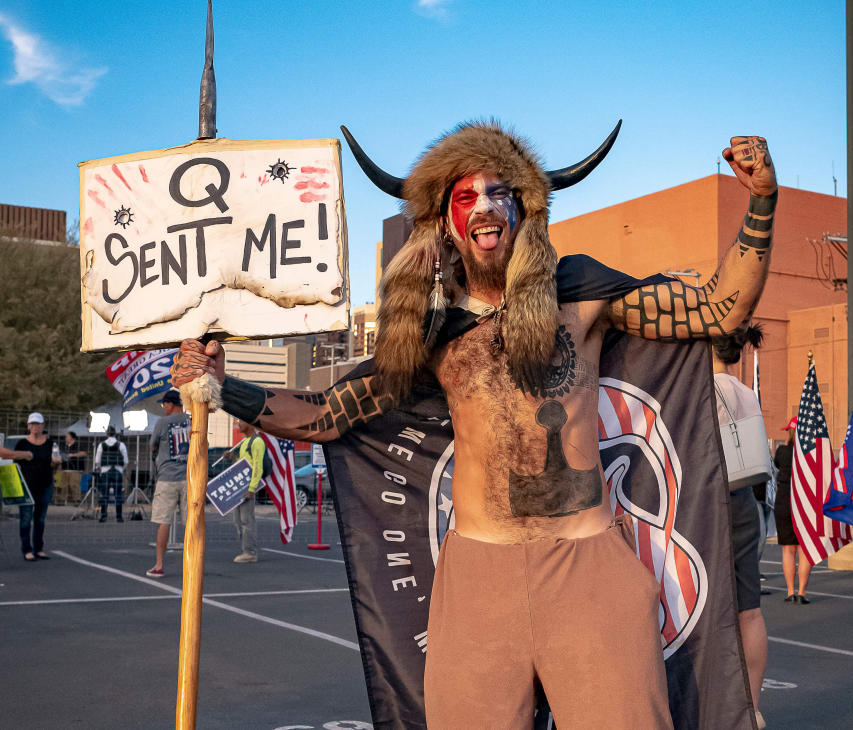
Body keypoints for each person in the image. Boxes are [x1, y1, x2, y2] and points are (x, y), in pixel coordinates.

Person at [173, 123, 777, 727]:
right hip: (479, 580)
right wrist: (221, 388)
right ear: (445, 223)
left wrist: (761, 200)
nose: (485, 206)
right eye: (466, 196)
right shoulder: (432, 332)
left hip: (587, 566)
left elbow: (720, 307)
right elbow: (327, 416)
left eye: (499, 192)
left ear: (524, 210)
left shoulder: (580, 292)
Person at [712, 324, 769, 729]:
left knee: (704, 606)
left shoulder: (701, 389)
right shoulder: (746, 392)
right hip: (746, 499)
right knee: (749, 609)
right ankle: (752, 706)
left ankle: (711, 698)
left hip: (711, 500)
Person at [146, 389, 191, 578]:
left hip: (166, 477)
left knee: (164, 522)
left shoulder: (162, 422)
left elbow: (152, 445)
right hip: (189, 477)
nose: (164, 407)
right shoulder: (192, 420)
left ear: (171, 404)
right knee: (191, 524)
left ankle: (159, 564)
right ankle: (193, 565)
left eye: (165, 404)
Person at [774, 417, 812, 603]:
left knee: (788, 550)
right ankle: (802, 592)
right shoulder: (811, 453)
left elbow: (776, 466)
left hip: (784, 501)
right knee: (804, 549)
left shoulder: (782, 451)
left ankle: (790, 591)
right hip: (804, 502)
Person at [14, 412, 61, 560]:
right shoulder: (22, 444)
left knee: (40, 519)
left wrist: (56, 462)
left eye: (38, 424)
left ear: (42, 426)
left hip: (45, 484)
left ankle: (39, 548)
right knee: (26, 518)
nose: (35, 427)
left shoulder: (50, 444)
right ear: (28, 426)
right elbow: (15, 464)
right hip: (27, 486)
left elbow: (54, 464)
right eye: (33, 424)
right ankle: (27, 549)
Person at [232, 420, 265, 564]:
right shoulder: (245, 441)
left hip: (247, 488)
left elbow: (258, 466)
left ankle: (250, 552)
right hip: (239, 488)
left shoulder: (257, 442)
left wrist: (252, 488)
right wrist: (232, 458)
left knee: (247, 521)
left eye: (241, 421)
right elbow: (242, 464)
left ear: (251, 424)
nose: (238, 423)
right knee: (238, 521)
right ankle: (245, 549)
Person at [94, 425, 128, 522]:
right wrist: (121, 469)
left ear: (106, 434)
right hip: (118, 471)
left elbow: (97, 461)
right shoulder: (121, 445)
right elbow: (126, 461)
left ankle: (103, 516)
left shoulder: (101, 445)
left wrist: (101, 469)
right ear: (115, 433)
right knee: (118, 495)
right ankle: (119, 517)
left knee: (104, 495)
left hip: (105, 472)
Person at [61, 431, 87, 504]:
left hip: (76, 469)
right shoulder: (65, 446)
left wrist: (72, 455)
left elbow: (83, 453)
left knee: (74, 485)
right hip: (65, 468)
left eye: (67, 436)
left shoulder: (78, 445)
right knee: (64, 485)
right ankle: (63, 501)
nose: (65, 438)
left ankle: (77, 500)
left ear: (72, 437)